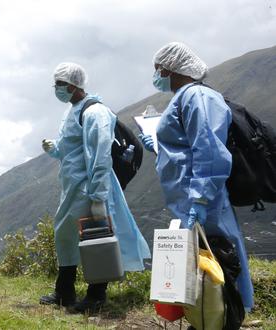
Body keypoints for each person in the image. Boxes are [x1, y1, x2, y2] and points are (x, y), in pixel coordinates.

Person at [140, 42, 254, 312]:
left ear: (171, 68)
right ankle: (207, 316)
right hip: (188, 195)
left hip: (204, 198)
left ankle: (229, 316)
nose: (156, 75)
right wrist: (158, 146)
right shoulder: (185, 97)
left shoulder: (197, 97)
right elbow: (185, 147)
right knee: (203, 264)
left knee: (221, 259)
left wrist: (201, 198)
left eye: (158, 70)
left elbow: (209, 150)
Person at [40, 63, 151, 313]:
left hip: (89, 188)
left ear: (71, 85)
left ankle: (96, 295)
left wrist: (99, 196)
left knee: (95, 239)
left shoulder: (96, 112)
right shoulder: (74, 110)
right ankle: (64, 291)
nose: (55, 89)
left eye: (58, 84)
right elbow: (72, 150)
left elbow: (100, 155)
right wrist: (54, 149)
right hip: (72, 188)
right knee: (65, 235)